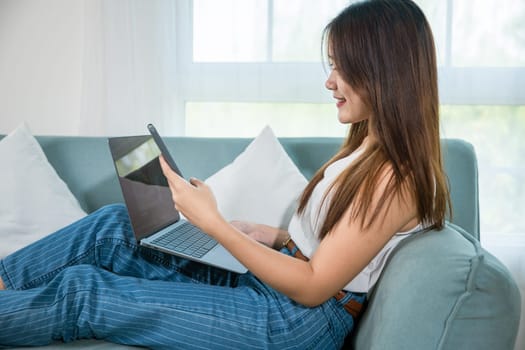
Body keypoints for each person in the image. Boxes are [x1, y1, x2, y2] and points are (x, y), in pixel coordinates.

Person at [0, 0, 450, 348]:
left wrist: (211, 222)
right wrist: (273, 236)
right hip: (276, 289)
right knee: (114, 227)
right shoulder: (367, 150)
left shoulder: (397, 178)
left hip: (294, 323)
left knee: (85, 292)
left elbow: (315, 287)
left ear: (385, 71)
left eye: (341, 66)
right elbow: (338, 248)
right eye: (330, 64)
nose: (329, 81)